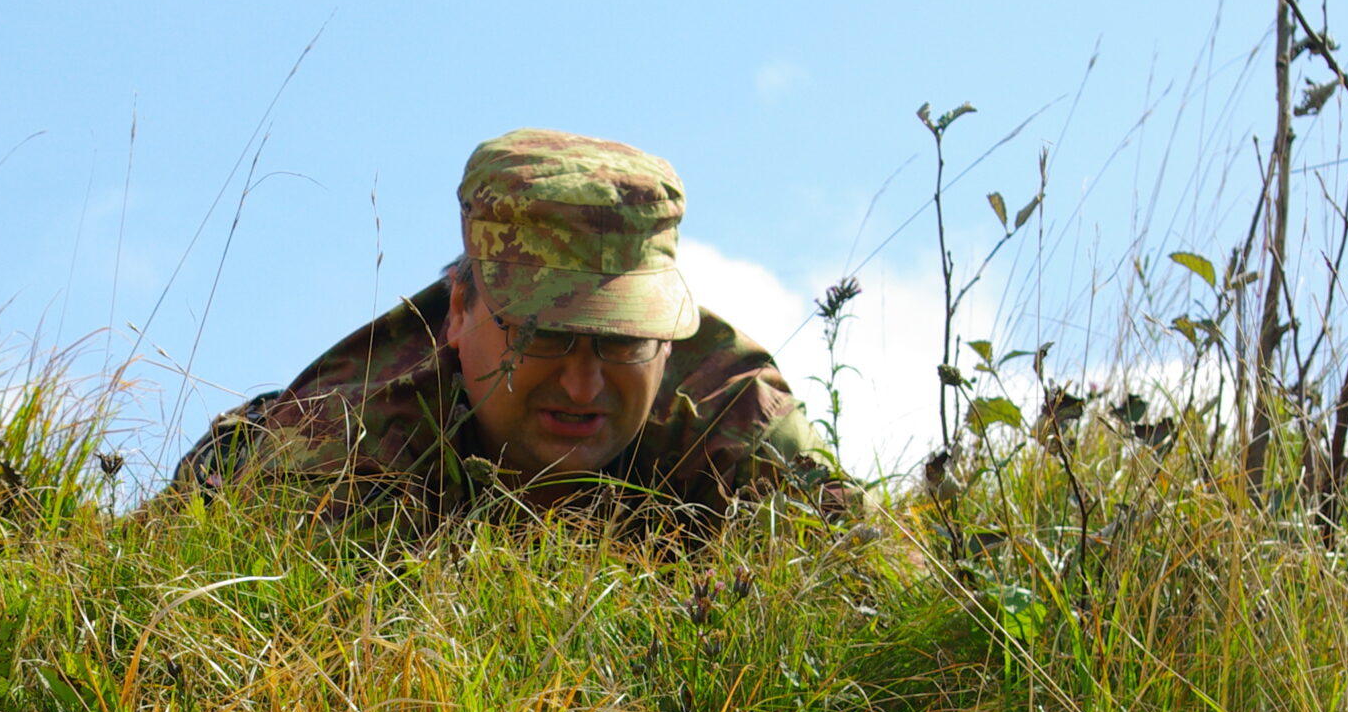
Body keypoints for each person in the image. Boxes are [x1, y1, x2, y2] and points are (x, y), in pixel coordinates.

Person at [170, 129, 844, 526]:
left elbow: (860, 599)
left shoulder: (738, 422)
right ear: (457, 311)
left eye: (621, 342)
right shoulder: (341, 442)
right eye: (541, 335)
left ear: (666, 337)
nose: (582, 386)